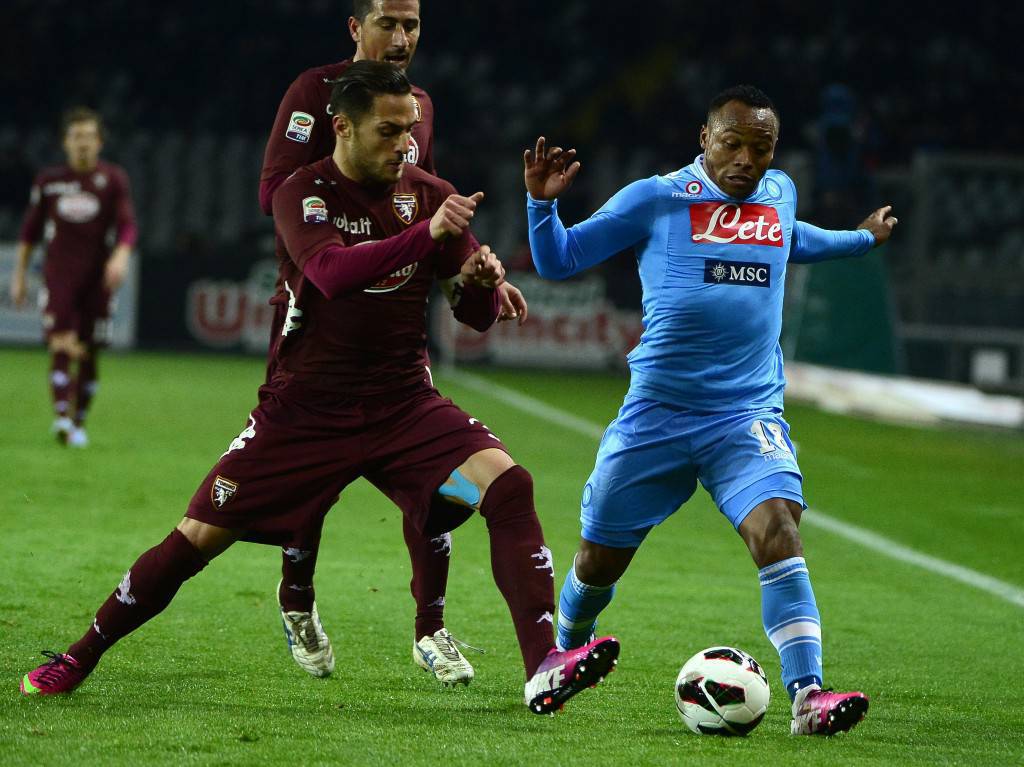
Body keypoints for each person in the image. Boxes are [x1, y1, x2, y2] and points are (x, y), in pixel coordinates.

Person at [20, 62, 617, 717]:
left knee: (508, 484)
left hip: (402, 406)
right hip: (305, 412)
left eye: (409, 130)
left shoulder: (429, 194)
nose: (404, 145)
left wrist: (478, 281)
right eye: (388, 131)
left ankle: (542, 665)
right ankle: (80, 654)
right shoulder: (303, 192)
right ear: (343, 128)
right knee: (195, 539)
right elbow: (330, 272)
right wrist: (428, 236)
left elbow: (473, 315)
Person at [523, 84, 897, 735]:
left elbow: (793, 239)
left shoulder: (779, 193)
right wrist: (541, 204)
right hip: (657, 413)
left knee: (778, 530)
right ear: (705, 139)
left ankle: (808, 696)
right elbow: (559, 260)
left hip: (744, 413)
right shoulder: (656, 198)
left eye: (762, 147)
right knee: (597, 561)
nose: (747, 159)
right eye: (733, 143)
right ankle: (561, 654)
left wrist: (861, 240)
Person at [259, 0, 527, 685]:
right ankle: (297, 595)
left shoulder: (418, 105)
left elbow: (422, 200)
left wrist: (474, 272)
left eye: (412, 24)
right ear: (356, 27)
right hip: (319, 314)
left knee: (440, 479)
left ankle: (430, 626)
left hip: (396, 320)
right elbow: (274, 193)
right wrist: (340, 222)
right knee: (313, 477)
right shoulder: (313, 92)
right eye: (389, 23)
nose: (402, 37)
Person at [10, 107, 137, 447]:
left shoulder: (112, 179)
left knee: (89, 351)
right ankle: (63, 418)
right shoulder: (49, 182)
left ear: (100, 142)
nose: (83, 143)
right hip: (59, 275)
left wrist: (121, 256)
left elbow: (127, 225)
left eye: (89, 137)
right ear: (65, 142)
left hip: (98, 280)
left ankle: (78, 422)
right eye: (77, 136)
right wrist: (19, 275)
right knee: (61, 342)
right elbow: (29, 232)